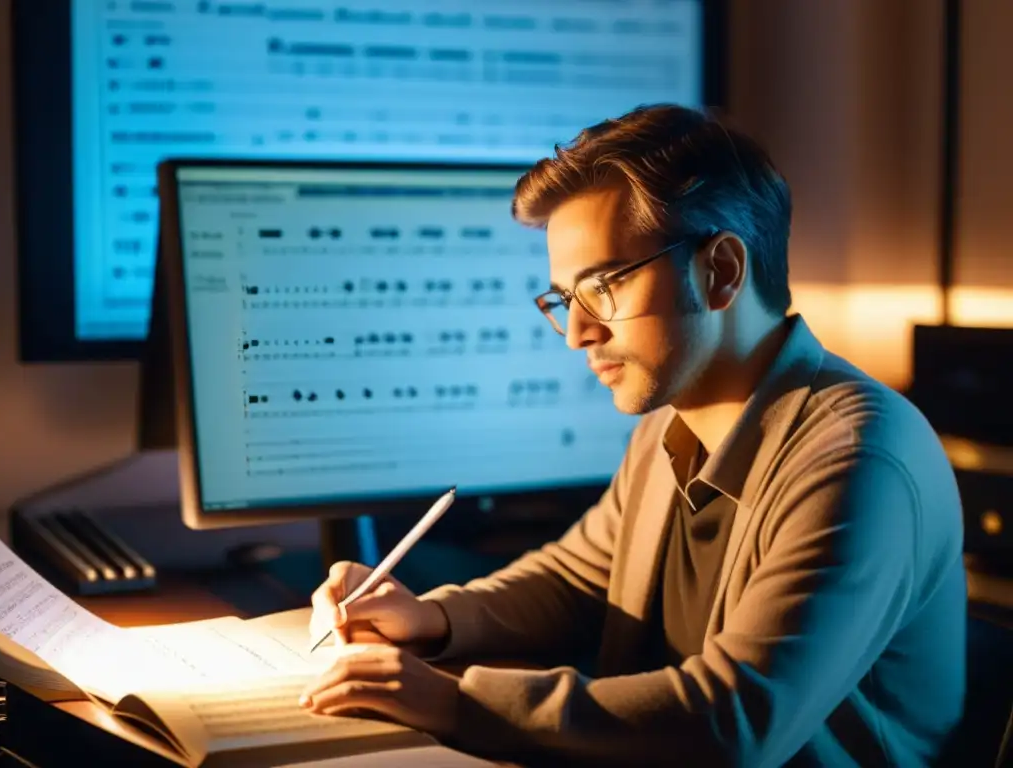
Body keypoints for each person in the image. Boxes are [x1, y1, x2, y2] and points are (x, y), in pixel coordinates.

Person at [299, 104, 967, 766]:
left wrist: (454, 703)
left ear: (722, 271)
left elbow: (732, 723)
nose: (577, 332)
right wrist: (432, 619)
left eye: (604, 286)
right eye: (565, 299)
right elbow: (579, 580)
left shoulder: (859, 461)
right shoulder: (668, 426)